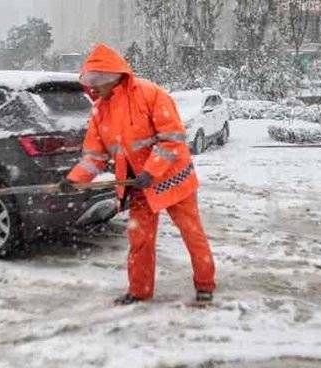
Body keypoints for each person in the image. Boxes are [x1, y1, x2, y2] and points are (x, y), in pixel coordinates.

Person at [59, 44, 217, 305]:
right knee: (139, 240)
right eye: (90, 83)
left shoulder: (150, 94)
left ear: (111, 77)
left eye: (96, 82)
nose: (93, 89)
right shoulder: (101, 111)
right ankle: (139, 291)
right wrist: (74, 180)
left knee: (192, 234)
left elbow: (172, 140)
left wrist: (151, 170)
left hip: (173, 179)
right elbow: (95, 157)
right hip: (137, 186)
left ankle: (205, 285)